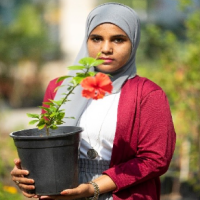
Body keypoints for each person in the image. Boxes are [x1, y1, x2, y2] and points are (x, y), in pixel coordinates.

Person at [11, 2, 176, 200]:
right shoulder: (61, 89)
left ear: (133, 42)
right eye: (96, 38)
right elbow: (47, 145)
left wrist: (92, 188)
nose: (106, 48)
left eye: (118, 40)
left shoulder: (147, 94)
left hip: (123, 193)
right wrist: (30, 173)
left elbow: (155, 158)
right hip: (63, 193)